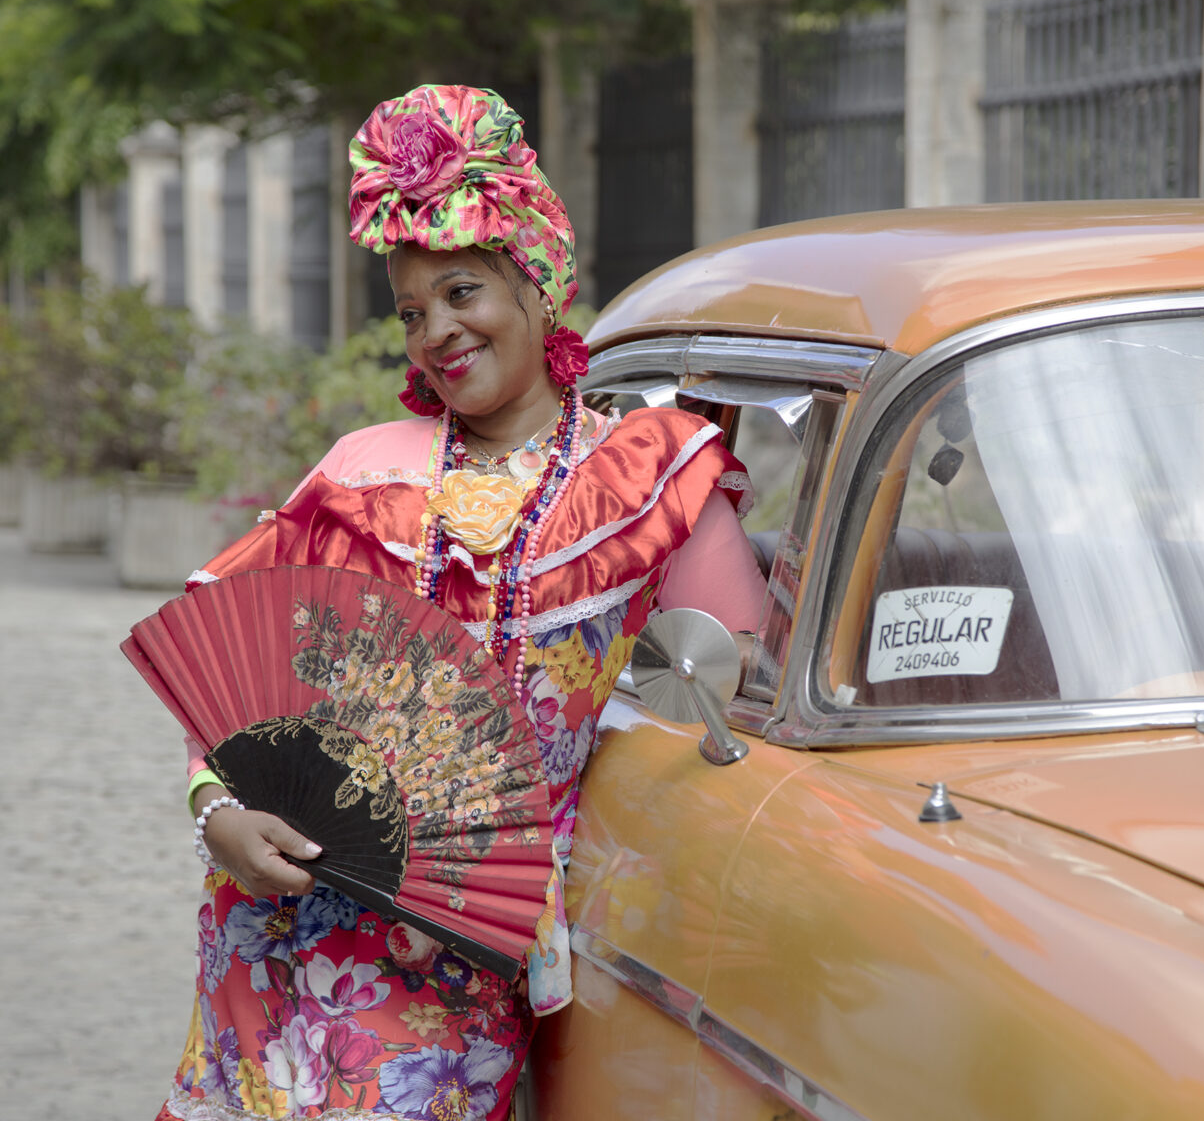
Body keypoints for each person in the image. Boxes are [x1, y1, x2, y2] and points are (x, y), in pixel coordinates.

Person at [156, 84, 766, 1121]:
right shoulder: (363, 473)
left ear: (538, 279)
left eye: (463, 291)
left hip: (463, 965)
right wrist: (217, 812)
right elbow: (232, 678)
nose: (436, 330)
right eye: (410, 311)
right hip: (284, 930)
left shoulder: (648, 477)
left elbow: (732, 678)